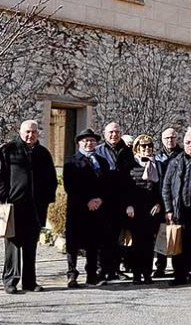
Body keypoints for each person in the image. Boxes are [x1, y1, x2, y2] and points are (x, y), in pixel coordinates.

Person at [1, 121, 57, 294]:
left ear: (37, 133)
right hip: (14, 206)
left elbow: (51, 179)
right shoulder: (9, 150)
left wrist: (46, 200)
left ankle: (30, 282)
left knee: (31, 246)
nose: (30, 135)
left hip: (35, 208)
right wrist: (4, 198)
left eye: (33, 132)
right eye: (27, 132)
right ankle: (10, 281)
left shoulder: (43, 153)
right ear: (20, 131)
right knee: (13, 245)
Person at [162, 128, 191, 286]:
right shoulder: (175, 162)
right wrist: (168, 209)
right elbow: (166, 187)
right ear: (183, 143)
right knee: (179, 244)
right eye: (188, 142)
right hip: (179, 211)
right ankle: (179, 275)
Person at [63, 129, 110, 288]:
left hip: (98, 209)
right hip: (78, 209)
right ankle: (72, 274)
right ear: (79, 143)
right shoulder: (71, 162)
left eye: (92, 141)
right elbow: (70, 186)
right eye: (85, 141)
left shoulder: (102, 161)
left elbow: (107, 184)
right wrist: (87, 201)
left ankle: (92, 275)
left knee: (94, 242)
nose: (89, 143)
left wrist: (100, 199)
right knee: (73, 243)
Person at [95, 122, 134, 282]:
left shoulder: (128, 152)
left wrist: (129, 202)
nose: (114, 135)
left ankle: (114, 270)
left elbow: (131, 179)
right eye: (111, 132)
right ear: (105, 134)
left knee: (117, 237)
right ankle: (100, 270)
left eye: (117, 132)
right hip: (103, 201)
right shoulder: (98, 151)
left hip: (120, 201)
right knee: (101, 237)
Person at [126, 134, 164, 285]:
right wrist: (128, 205)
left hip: (152, 210)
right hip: (135, 210)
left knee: (149, 244)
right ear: (137, 148)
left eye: (149, 145)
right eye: (143, 146)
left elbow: (162, 187)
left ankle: (147, 274)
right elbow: (125, 187)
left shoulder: (157, 165)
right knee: (136, 243)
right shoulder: (130, 164)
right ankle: (136, 274)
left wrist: (159, 204)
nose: (147, 148)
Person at [153, 127, 182, 278]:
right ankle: (160, 266)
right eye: (167, 138)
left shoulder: (181, 156)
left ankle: (179, 268)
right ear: (162, 139)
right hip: (160, 199)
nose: (170, 140)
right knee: (162, 234)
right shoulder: (157, 157)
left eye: (172, 137)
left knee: (177, 234)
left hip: (176, 200)